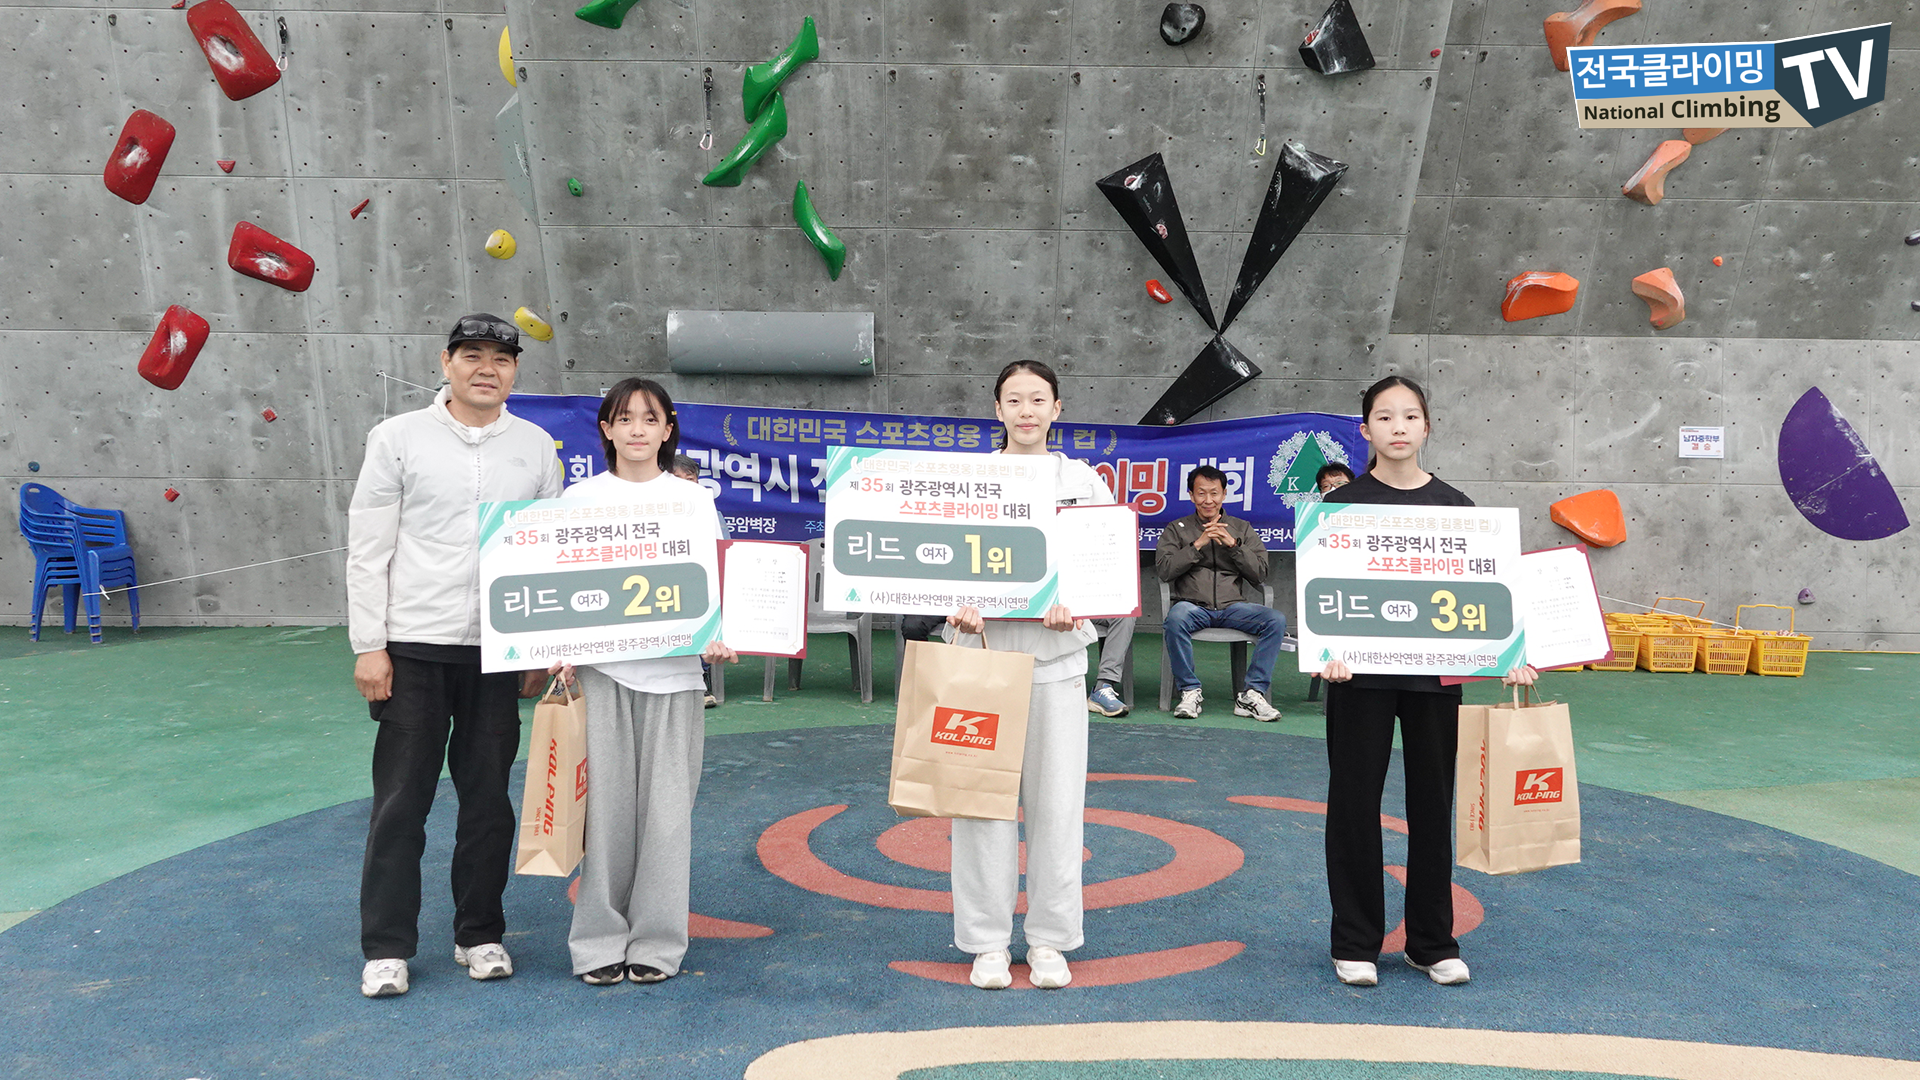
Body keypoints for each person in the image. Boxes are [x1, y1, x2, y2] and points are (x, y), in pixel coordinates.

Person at [347, 313, 563, 998]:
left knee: (488, 803)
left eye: (501, 358)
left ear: (515, 370)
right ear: (446, 363)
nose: (486, 369)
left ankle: (480, 934)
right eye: (472, 355)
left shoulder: (536, 447)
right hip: (412, 647)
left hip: (497, 652)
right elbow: (368, 548)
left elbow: (546, 557)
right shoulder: (397, 438)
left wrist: (539, 648)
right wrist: (369, 644)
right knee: (400, 803)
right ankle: (387, 947)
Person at [1317, 375, 1536, 989]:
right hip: (1359, 678)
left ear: (1427, 426)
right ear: (1366, 430)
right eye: (1385, 417)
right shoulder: (1339, 507)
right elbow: (1321, 597)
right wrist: (1327, 651)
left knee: (1433, 807)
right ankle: (1355, 942)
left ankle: (1431, 943)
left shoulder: (1457, 508)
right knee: (1354, 805)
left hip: (1436, 680)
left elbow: (1485, 596)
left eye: (1410, 416)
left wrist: (1510, 653)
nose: (1398, 427)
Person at [549, 379, 737, 987]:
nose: (636, 429)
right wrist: (556, 648)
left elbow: (717, 583)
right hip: (601, 674)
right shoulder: (579, 499)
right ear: (605, 429)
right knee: (603, 816)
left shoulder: (693, 501)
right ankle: (597, 942)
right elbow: (559, 583)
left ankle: (657, 943)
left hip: (676, 678)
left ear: (667, 429)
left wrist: (720, 634)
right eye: (624, 418)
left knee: (667, 818)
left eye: (649, 418)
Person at [944, 360, 1108, 991]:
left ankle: (1048, 939)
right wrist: (953, 604)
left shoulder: (1082, 482)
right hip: (979, 657)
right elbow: (940, 560)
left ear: (1057, 408)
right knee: (980, 806)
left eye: (1038, 399)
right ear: (998, 409)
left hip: (1055, 660)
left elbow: (1101, 564)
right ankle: (986, 942)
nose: (1026, 411)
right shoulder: (968, 480)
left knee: (1056, 808)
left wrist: (1078, 605)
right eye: (1014, 400)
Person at [1153, 466, 1288, 722]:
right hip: (1192, 606)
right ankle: (1190, 691)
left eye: (1214, 493)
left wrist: (1233, 545)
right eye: (1201, 493)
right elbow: (1165, 570)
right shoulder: (1177, 528)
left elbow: (1260, 573)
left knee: (1275, 620)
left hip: (1233, 607)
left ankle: (1252, 694)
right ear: (1191, 495)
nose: (1208, 500)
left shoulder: (1241, 527)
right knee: (1176, 618)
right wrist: (1198, 544)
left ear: (1224, 494)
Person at [669, 453, 721, 709]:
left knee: (702, 622)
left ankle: (701, 683)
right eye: (677, 479)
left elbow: (718, 546)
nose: (684, 485)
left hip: (699, 580)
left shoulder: (705, 506)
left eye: (689, 479)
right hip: (664, 583)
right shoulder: (654, 506)